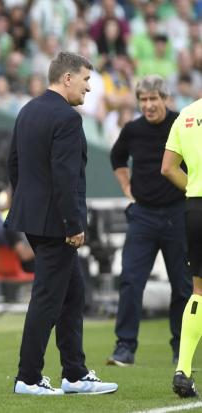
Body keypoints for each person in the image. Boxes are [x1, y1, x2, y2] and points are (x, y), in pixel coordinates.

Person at [5, 51, 118, 396]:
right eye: (86, 80)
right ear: (66, 78)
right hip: (57, 223)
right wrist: (74, 224)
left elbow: (14, 165)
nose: (89, 88)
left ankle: (75, 373)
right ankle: (28, 377)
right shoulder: (68, 120)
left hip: (33, 218)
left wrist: (28, 205)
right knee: (48, 298)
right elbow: (66, 177)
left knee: (72, 294)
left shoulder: (27, 110)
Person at [107, 75, 191, 367]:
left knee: (183, 286)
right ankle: (124, 348)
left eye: (153, 99)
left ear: (165, 99)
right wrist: (126, 188)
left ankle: (181, 349)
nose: (148, 105)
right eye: (143, 100)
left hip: (178, 213)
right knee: (130, 281)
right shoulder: (132, 129)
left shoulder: (182, 124)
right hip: (142, 214)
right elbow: (117, 158)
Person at [161, 96, 202, 398]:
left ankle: (183, 370)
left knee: (199, 291)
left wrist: (194, 186)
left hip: (196, 208)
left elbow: (167, 168)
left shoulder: (186, 115)